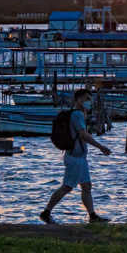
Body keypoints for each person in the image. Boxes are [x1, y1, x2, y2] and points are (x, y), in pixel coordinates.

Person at [40, 88, 112, 224]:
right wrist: (101, 147)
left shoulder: (78, 114)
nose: (89, 102)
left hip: (80, 158)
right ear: (78, 100)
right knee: (67, 187)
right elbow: (82, 134)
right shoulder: (78, 114)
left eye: (90, 99)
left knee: (86, 186)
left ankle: (92, 216)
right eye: (87, 99)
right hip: (75, 158)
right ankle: (46, 212)